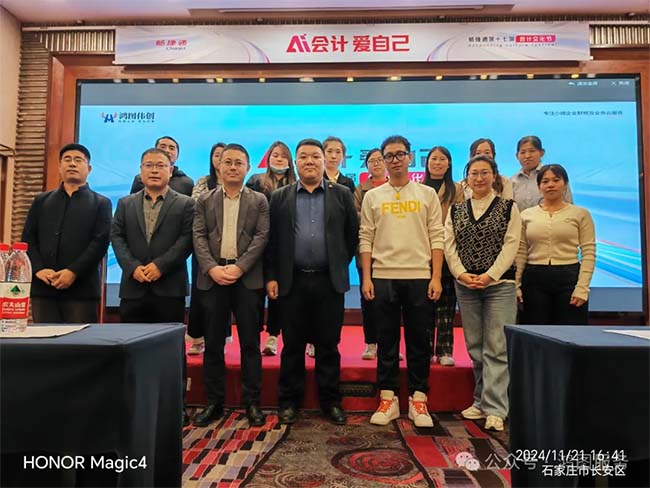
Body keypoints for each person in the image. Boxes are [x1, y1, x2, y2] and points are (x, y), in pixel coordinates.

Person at [265, 138, 358, 425]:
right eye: (303, 156)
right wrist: (272, 276)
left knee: (328, 345)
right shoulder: (279, 197)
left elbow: (351, 236)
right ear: (295, 162)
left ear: (325, 161)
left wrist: (336, 264)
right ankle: (289, 402)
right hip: (292, 282)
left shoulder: (342, 194)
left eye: (315, 156)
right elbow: (272, 241)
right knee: (292, 346)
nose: (309, 161)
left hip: (328, 282)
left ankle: (330, 402)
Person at [360, 135, 444, 428]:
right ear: (382, 161)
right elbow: (366, 238)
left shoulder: (426, 194)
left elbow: (437, 236)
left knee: (419, 340)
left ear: (410, 157)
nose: (395, 160)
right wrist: (367, 277)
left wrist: (436, 276)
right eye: (389, 156)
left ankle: (419, 399)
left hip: (419, 276)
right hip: (383, 276)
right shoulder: (373, 196)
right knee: (386, 341)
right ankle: (388, 398)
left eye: (400, 154)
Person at [111, 147, 194, 425]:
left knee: (171, 352)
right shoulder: (126, 203)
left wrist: (160, 265)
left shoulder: (185, 204)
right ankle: (131, 405)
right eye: (149, 165)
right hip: (133, 288)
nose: (155, 170)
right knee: (131, 349)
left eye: (161, 165)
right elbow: (117, 237)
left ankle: (175, 407)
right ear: (141, 170)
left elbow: (186, 241)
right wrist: (132, 267)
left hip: (168, 288)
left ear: (171, 170)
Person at [192, 143, 270, 427]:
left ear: (248, 167)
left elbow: (261, 237)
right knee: (213, 343)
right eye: (228, 162)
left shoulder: (259, 200)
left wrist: (239, 267)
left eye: (239, 162)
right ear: (219, 166)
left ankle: (252, 402)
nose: (233, 167)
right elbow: (198, 236)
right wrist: (212, 268)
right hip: (213, 278)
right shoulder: (204, 200)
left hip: (247, 279)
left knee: (250, 343)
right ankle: (214, 402)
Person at [444, 155, 521, 432]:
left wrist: (491, 275)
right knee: (475, 346)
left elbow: (511, 244)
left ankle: (496, 408)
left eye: (484, 173)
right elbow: (449, 245)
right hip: (466, 285)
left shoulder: (508, 208)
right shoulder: (456, 210)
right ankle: (480, 401)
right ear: (466, 178)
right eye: (474, 173)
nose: (479, 178)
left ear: (494, 176)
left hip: (499, 285)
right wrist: (460, 274)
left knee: (497, 347)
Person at [22, 143, 112, 323]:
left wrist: (73, 272)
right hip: (44, 286)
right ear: (59, 166)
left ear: (89, 168)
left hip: (82, 289)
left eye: (78, 160)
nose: (72, 164)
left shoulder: (101, 203)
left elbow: (100, 243)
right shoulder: (41, 201)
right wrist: (39, 270)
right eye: (67, 159)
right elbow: (28, 239)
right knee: (45, 339)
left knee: (81, 340)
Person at [516, 164, 595, 325]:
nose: (550, 185)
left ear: (565, 184)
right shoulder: (526, 215)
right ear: (539, 186)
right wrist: (516, 285)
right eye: (545, 181)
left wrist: (582, 288)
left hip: (569, 278)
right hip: (534, 279)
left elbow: (589, 252)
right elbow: (521, 252)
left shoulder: (580, 214)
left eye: (556, 180)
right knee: (536, 333)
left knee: (571, 333)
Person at [246, 141, 297, 356]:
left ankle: (275, 336)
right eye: (275, 155)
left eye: (283, 156)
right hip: (258, 245)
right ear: (268, 158)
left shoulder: (296, 184)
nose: (279, 159)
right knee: (258, 293)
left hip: (284, 246)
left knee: (280, 294)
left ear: (290, 161)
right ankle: (257, 336)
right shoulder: (256, 181)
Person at [423, 146, 464, 367]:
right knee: (424, 306)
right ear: (427, 163)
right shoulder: (419, 188)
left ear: (449, 164)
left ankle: (445, 350)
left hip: (448, 252)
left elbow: (459, 219)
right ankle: (426, 349)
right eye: (433, 159)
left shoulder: (456, 189)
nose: (437, 162)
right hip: (422, 253)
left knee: (447, 305)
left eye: (442, 159)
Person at [187, 142, 226, 356]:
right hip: (203, 247)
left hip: (228, 248)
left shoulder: (238, 182)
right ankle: (197, 338)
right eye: (216, 155)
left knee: (224, 297)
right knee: (200, 294)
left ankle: (221, 338)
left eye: (223, 155)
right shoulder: (203, 182)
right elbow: (197, 207)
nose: (220, 159)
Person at [353, 148, 388, 360]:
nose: (376, 163)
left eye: (380, 159)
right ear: (366, 165)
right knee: (368, 299)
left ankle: (388, 343)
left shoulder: (395, 187)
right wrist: (379, 217)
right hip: (366, 251)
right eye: (372, 160)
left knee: (389, 302)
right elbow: (356, 214)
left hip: (391, 252)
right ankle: (371, 343)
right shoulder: (361, 189)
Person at [511, 135, 573, 211]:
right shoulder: (512, 181)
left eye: (532, 151)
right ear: (517, 156)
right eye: (523, 152)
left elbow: (569, 206)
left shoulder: (555, 177)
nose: (527, 156)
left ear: (542, 153)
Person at [130, 136, 194, 196]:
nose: (167, 151)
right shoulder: (141, 179)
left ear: (177, 155)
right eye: (162, 147)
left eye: (171, 148)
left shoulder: (186, 183)